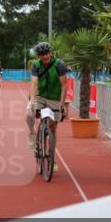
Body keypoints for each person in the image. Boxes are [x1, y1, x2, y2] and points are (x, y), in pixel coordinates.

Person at [26, 42, 70, 170]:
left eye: (46, 53)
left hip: (54, 98)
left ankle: (51, 157)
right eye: (41, 54)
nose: (44, 56)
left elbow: (64, 85)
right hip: (40, 96)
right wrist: (32, 102)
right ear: (38, 56)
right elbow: (34, 84)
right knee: (29, 114)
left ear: (50, 52)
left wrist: (62, 105)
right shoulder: (36, 65)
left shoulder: (59, 65)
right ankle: (32, 134)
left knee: (53, 127)